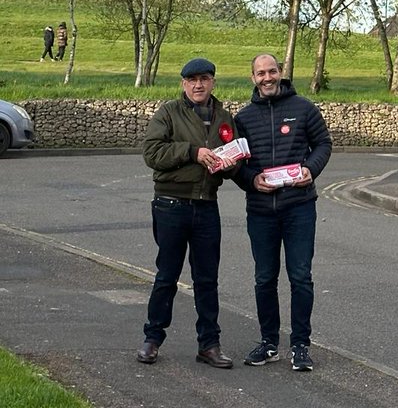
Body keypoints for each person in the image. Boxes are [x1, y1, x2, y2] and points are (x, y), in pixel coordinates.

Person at [137, 57, 238, 369]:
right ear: (183, 83)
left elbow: (231, 162)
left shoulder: (223, 117)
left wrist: (231, 164)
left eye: (205, 78)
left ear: (213, 82)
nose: (198, 85)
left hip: (207, 206)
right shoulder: (168, 112)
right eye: (192, 79)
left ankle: (209, 345)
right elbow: (152, 154)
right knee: (167, 275)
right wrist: (192, 152)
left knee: (207, 279)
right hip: (171, 204)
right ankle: (152, 339)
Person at [234, 53, 332, 373]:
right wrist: (251, 179)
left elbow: (323, 144)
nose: (267, 77)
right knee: (264, 279)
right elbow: (236, 164)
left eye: (272, 71)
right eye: (260, 73)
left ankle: (301, 345)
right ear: (253, 78)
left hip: (299, 207)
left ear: (281, 72)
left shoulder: (303, 108)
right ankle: (269, 343)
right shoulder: (244, 118)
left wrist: (310, 169)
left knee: (300, 277)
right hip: (261, 211)